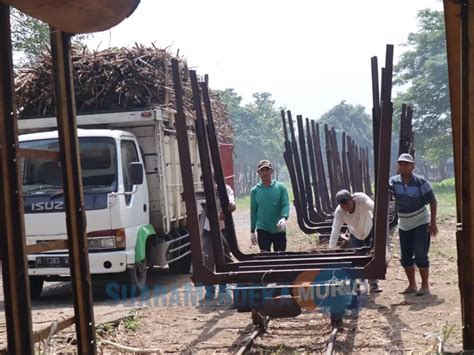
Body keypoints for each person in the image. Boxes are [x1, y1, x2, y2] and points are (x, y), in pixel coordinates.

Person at [389, 153, 437, 296]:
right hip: (404, 224)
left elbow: (433, 201)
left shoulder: (421, 182)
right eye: (401, 164)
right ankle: (412, 285)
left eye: (406, 164)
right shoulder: (393, 182)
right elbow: (387, 196)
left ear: (413, 167)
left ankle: (425, 285)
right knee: (406, 257)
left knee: (421, 254)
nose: (403, 167)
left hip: (421, 222)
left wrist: (433, 222)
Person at [328, 189, 382, 293]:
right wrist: (331, 249)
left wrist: (380, 226)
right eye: (343, 206)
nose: (346, 207)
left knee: (371, 257)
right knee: (356, 259)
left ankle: (373, 284)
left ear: (352, 199)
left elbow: (374, 207)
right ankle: (357, 285)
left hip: (369, 229)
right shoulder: (339, 212)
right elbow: (335, 230)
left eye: (348, 204)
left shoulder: (361, 199)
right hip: (355, 234)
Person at [203, 182, 236, 300]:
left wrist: (229, 207)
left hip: (223, 229)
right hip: (208, 230)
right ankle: (209, 289)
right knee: (208, 259)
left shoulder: (225, 189)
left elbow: (231, 202)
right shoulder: (202, 192)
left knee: (224, 258)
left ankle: (223, 287)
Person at [250, 160, 290, 252]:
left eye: (267, 170)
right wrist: (252, 231)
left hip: (278, 228)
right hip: (262, 228)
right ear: (258, 173)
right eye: (262, 170)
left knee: (280, 256)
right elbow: (253, 211)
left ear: (271, 171)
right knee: (265, 256)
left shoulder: (281, 187)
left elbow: (285, 204)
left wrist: (284, 218)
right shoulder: (255, 190)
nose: (265, 173)